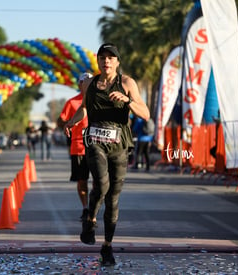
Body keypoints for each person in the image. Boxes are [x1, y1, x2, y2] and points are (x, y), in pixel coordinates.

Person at [64, 43, 150, 266]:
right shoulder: (91, 83)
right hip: (95, 141)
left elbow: (146, 114)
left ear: (117, 62)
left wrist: (128, 101)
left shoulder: (128, 83)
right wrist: (72, 122)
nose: (106, 61)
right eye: (102, 57)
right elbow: (84, 107)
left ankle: (107, 247)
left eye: (111, 58)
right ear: (98, 62)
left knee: (113, 198)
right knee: (101, 185)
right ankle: (90, 220)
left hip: (119, 145)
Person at [58, 72, 93, 221]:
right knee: (82, 181)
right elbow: (61, 119)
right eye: (83, 81)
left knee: (100, 182)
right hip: (78, 147)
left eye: (89, 81)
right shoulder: (72, 102)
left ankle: (94, 207)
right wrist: (67, 126)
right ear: (79, 84)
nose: (86, 84)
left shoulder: (98, 100)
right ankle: (86, 208)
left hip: (97, 146)